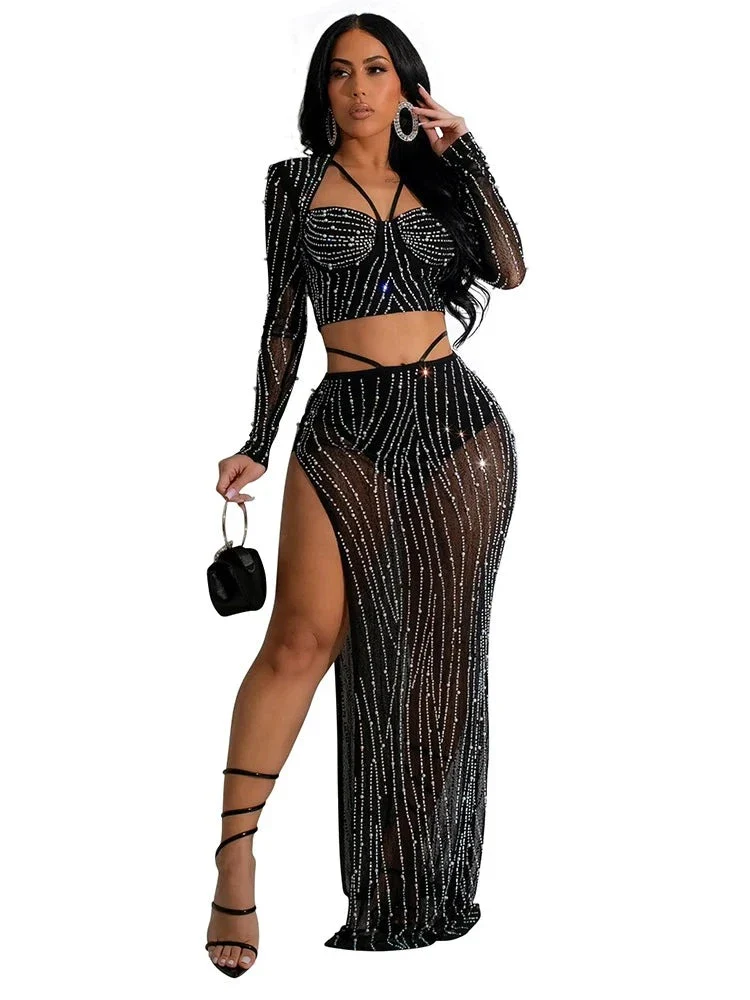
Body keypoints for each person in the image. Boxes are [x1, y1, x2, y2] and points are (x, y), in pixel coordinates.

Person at [206, 12, 526, 975]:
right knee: (300, 641)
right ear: (323, 89)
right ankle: (234, 857)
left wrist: (465, 153)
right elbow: (281, 322)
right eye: (340, 72)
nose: (357, 87)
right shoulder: (293, 184)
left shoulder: (442, 179)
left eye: (377, 69)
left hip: (458, 429)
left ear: (405, 85)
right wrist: (259, 441)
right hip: (345, 426)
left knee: (440, 658)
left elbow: (510, 269)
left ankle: (413, 886)